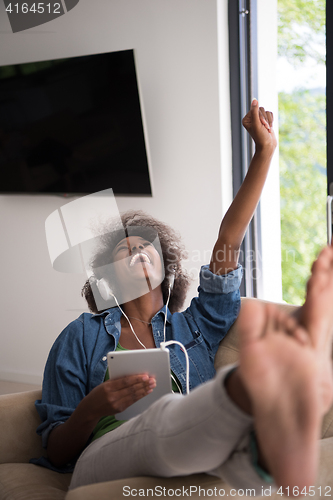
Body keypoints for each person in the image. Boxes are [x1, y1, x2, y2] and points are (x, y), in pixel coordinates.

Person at [30, 99, 333, 493]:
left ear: (166, 267)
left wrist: (265, 150)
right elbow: (56, 452)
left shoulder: (196, 325)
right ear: (106, 278)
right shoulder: (80, 336)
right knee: (162, 421)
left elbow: (229, 239)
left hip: (194, 444)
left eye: (147, 247)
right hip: (103, 456)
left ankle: (256, 427)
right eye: (125, 251)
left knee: (187, 424)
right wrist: (94, 407)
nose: (138, 251)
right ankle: (254, 403)